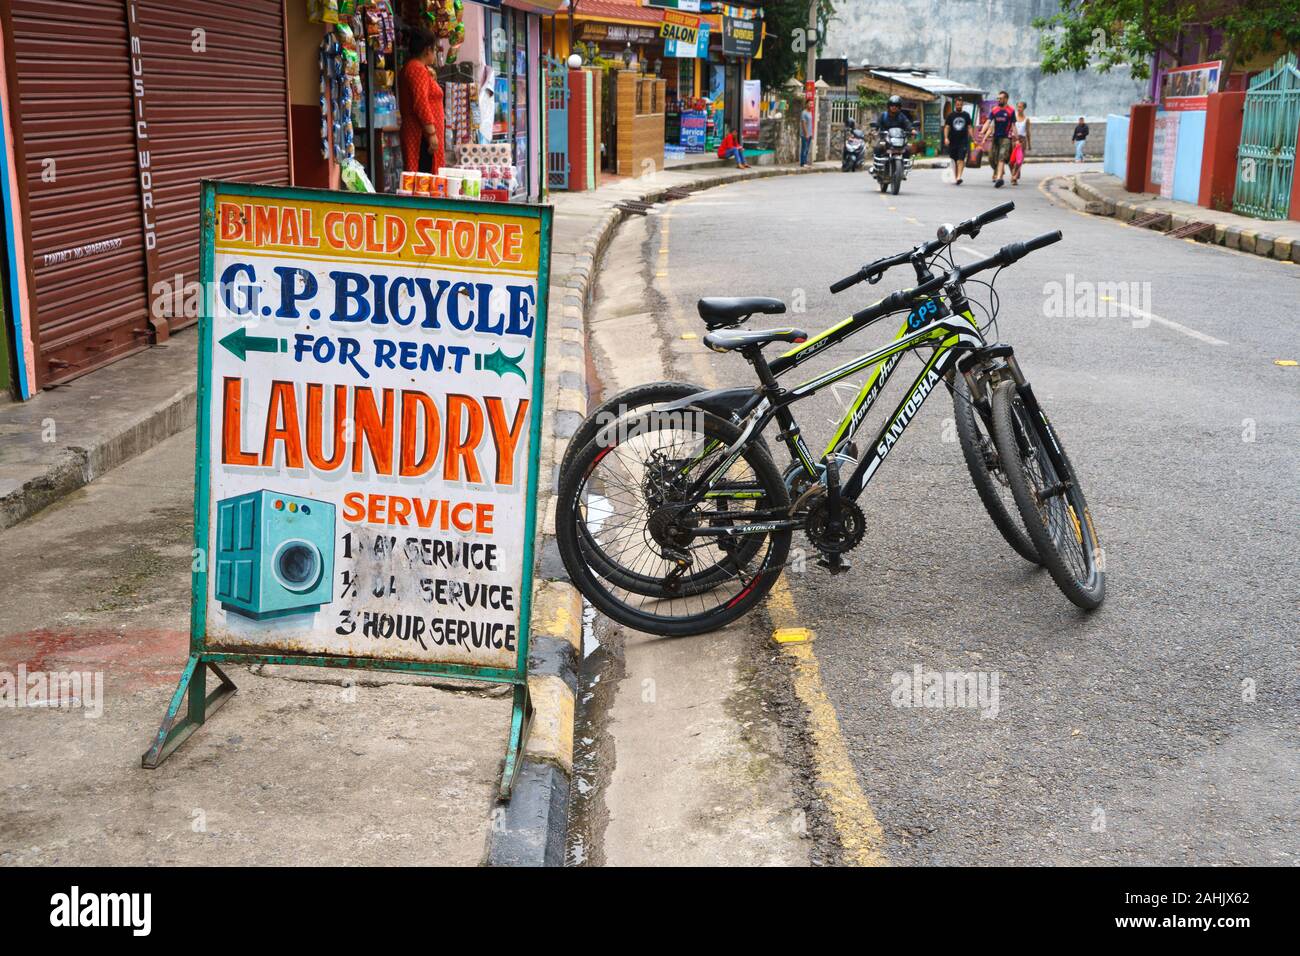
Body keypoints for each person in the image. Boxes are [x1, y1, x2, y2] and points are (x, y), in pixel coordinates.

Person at [399, 29, 444, 175]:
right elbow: (421, 103)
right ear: (427, 50)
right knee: (423, 179)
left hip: (424, 134)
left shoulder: (420, 68)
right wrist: (431, 134)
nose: (435, 53)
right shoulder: (416, 68)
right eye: (435, 49)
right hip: (421, 136)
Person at [980, 90, 1015, 187]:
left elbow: (1013, 125)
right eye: (998, 98)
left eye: (1001, 98)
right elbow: (988, 122)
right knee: (991, 159)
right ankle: (998, 171)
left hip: (1006, 138)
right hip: (995, 138)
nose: (998, 100)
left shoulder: (1011, 111)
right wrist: (982, 132)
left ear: (1006, 99)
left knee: (1001, 157)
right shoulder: (994, 110)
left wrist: (1016, 138)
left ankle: (999, 178)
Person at [873, 94, 916, 162]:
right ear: (889, 106)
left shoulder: (902, 116)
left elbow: (907, 124)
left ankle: (905, 165)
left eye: (896, 105)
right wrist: (875, 130)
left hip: (899, 139)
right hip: (885, 139)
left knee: (907, 149)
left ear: (899, 107)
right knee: (878, 147)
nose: (894, 107)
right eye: (892, 105)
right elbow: (877, 125)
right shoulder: (883, 115)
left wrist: (912, 130)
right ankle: (877, 165)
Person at [943, 96, 972, 185]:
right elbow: (947, 127)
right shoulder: (950, 115)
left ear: (962, 105)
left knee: (961, 159)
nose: (959, 106)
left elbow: (969, 127)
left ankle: (959, 177)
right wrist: (946, 138)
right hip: (952, 141)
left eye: (960, 104)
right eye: (957, 104)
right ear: (955, 104)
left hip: (963, 141)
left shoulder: (966, 115)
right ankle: (956, 177)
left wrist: (973, 138)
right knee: (954, 160)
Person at [1010, 101, 1031, 185]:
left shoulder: (1027, 119)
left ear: (1024, 108)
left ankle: (1014, 177)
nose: (1019, 109)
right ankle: (1015, 174)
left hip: (1022, 140)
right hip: (1013, 139)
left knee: (1019, 160)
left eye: (1020, 107)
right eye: (1018, 107)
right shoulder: (1013, 117)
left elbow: (1028, 132)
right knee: (1012, 161)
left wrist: (1029, 144)